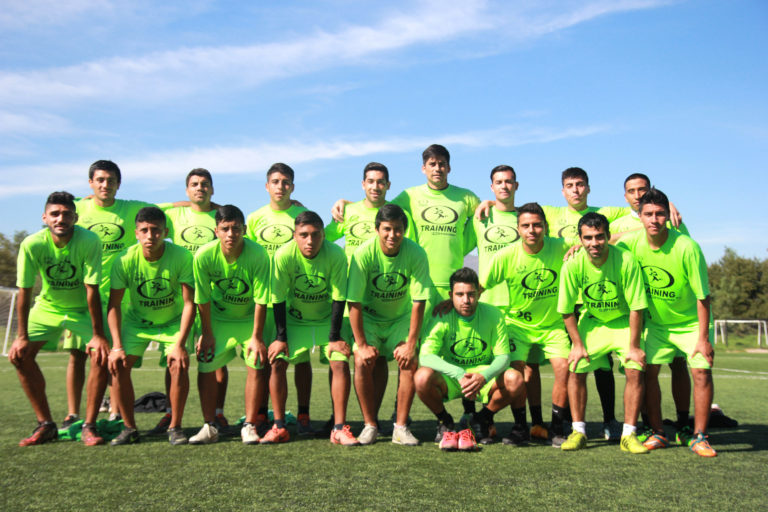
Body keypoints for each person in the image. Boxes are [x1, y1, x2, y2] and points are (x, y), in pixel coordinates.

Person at [617, 188, 717, 457]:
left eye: (660, 214)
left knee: (701, 371)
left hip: (690, 323)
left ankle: (699, 436)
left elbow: (703, 296)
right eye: (648, 214)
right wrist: (578, 246)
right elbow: (606, 245)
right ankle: (658, 431)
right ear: (639, 216)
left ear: (667, 216)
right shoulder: (630, 243)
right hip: (657, 325)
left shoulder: (687, 247)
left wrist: (703, 339)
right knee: (647, 372)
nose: (654, 220)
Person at [10, 191, 109, 446]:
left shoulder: (90, 241)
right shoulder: (32, 244)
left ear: (75, 217)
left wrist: (98, 335)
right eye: (54, 214)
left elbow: (92, 289)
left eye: (66, 214)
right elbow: (24, 291)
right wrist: (21, 337)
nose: (60, 219)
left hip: (82, 310)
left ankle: (89, 425)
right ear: (45, 218)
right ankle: (45, 424)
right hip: (48, 307)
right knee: (20, 355)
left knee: (101, 355)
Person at [67, 160, 153, 427]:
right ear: (90, 183)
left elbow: (170, 209)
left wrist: (212, 206)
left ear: (119, 184)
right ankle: (72, 414)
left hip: (120, 298)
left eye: (111, 180)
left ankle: (116, 413)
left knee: (117, 357)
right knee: (78, 355)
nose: (106, 185)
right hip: (82, 297)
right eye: (100, 180)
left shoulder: (131, 209)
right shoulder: (77, 208)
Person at [610, 173, 693, 443]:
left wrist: (668, 211)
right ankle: (649, 425)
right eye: (631, 191)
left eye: (642, 189)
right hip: (640, 311)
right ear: (625, 196)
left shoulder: (672, 219)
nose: (637, 195)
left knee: (679, 364)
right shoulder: (618, 221)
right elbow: (602, 237)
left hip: (672, 309)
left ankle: (683, 422)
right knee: (643, 369)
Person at [479, 203, 571, 446]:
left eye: (537, 225)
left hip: (553, 326)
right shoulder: (506, 256)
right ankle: (520, 427)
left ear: (546, 227)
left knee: (564, 368)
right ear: (518, 229)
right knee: (517, 371)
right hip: (518, 326)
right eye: (526, 225)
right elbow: (479, 286)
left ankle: (556, 428)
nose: (532, 230)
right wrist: (454, 308)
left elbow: (597, 240)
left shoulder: (561, 246)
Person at [557, 212, 648, 453]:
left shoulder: (626, 259)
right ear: (580, 239)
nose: (594, 243)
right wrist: (577, 345)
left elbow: (637, 306)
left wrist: (634, 346)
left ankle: (629, 435)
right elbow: (566, 310)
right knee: (576, 365)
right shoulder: (572, 264)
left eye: (599, 237)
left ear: (608, 236)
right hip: (593, 322)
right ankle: (578, 432)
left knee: (635, 368)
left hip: (623, 322)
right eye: (588, 238)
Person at [107, 207, 195, 446]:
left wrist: (179, 344)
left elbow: (190, 303)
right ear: (136, 233)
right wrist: (116, 346)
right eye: (144, 230)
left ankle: (175, 427)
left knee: (178, 364)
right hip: (137, 323)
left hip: (173, 322)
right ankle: (129, 428)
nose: (150, 235)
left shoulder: (182, 256)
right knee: (118, 365)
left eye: (156, 230)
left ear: (165, 232)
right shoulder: (124, 259)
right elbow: (114, 305)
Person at [151, 168, 229, 436]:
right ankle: (170, 413)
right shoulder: (174, 215)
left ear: (212, 189)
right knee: (174, 355)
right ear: (187, 190)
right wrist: (182, 204)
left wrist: (215, 207)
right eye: (194, 184)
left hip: (213, 296)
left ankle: (218, 412)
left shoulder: (219, 216)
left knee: (216, 356)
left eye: (205, 184)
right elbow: (150, 211)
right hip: (180, 297)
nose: (200, 188)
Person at [269, 211, 357, 445]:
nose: (310, 241)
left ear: (323, 235)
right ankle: (279, 426)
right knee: (277, 360)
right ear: (294, 235)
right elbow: (278, 298)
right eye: (304, 235)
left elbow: (339, 297)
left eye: (316, 235)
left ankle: (339, 428)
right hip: (295, 321)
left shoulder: (336, 254)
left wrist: (335, 337)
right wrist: (280, 337)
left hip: (326, 321)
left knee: (339, 362)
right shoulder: (283, 255)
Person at [346, 204, 431, 445]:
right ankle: (370, 425)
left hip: (399, 318)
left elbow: (419, 301)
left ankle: (400, 428)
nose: (392, 235)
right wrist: (362, 345)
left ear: (404, 230)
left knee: (409, 360)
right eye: (387, 229)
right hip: (370, 318)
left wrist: (411, 344)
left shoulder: (416, 253)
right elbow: (354, 302)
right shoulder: (363, 254)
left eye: (398, 229)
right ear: (377, 230)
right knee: (361, 360)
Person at [414, 268, 525, 451]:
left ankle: (483, 418)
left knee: (516, 379)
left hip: (482, 377)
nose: (466, 300)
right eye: (459, 294)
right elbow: (425, 356)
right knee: (421, 377)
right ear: (451, 295)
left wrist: (484, 376)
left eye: (471, 294)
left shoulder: (494, 314)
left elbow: (504, 357)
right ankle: (445, 421)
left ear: (479, 293)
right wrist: (458, 373)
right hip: (453, 377)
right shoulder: (441, 316)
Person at [189, 205, 271, 444]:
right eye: (225, 229)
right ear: (216, 231)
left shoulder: (258, 254)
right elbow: (202, 298)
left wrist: (256, 337)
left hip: (249, 319)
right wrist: (206, 333)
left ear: (244, 229)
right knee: (205, 362)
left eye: (236, 229)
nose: (231, 234)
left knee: (256, 362)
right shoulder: (204, 255)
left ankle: (249, 425)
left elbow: (261, 299)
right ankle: (209, 425)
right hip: (218, 319)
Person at [246, 163, 311, 435]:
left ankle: (304, 412)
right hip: (264, 300)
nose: (280, 187)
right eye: (275, 182)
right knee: (263, 358)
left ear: (292, 187)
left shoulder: (301, 215)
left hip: (295, 301)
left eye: (285, 182)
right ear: (267, 186)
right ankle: (261, 412)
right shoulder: (255, 218)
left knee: (301, 359)